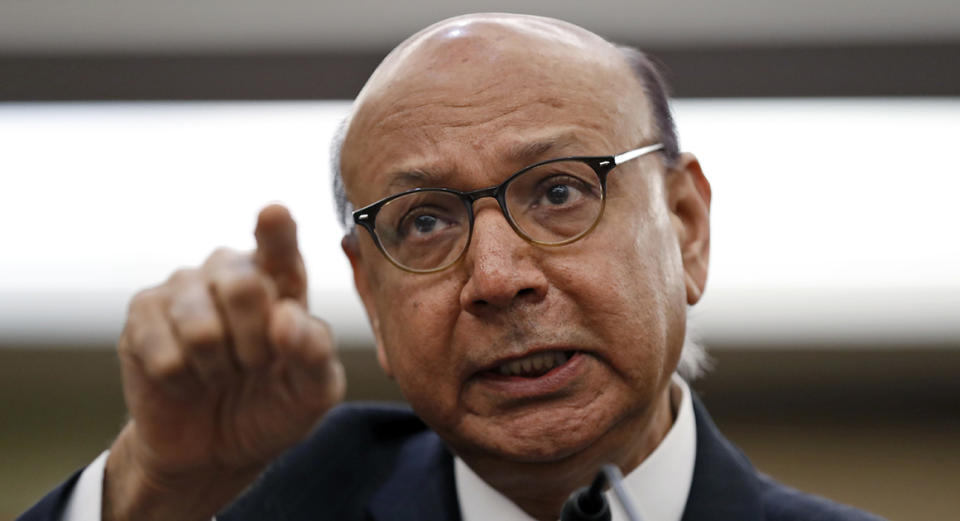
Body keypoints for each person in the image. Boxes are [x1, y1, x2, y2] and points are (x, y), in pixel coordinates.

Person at [20, 13, 884, 521]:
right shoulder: (260, 496)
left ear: (686, 227)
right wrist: (152, 485)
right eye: (425, 220)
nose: (498, 276)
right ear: (369, 290)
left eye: (557, 193)